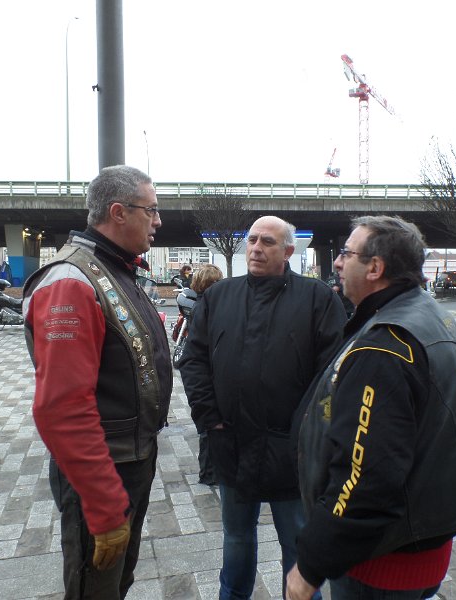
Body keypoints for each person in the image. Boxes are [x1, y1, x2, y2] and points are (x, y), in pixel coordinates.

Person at [286, 216, 456, 600]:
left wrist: (310, 566)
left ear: (375, 268)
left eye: (347, 253)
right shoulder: (432, 316)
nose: (337, 262)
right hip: (422, 540)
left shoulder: (385, 345)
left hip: (382, 560)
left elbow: (365, 476)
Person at [23, 165, 172, 600]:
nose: (158, 221)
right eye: (151, 210)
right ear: (118, 212)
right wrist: (104, 508)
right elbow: (63, 409)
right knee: (96, 588)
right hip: (105, 471)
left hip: (131, 459)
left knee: (116, 582)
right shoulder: (72, 282)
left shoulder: (116, 269)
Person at [179, 215, 346, 600]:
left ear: (288, 251)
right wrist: (209, 418)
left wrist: (307, 432)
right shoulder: (219, 297)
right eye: (252, 240)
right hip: (231, 443)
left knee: (297, 541)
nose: (256, 248)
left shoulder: (318, 298)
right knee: (236, 538)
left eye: (267, 242)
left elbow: (333, 372)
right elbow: (193, 360)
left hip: (292, 452)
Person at [187, 263, 224, 486]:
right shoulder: (207, 307)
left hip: (207, 374)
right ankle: (208, 473)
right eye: (216, 281)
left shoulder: (199, 304)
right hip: (209, 375)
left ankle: (208, 471)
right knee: (209, 430)